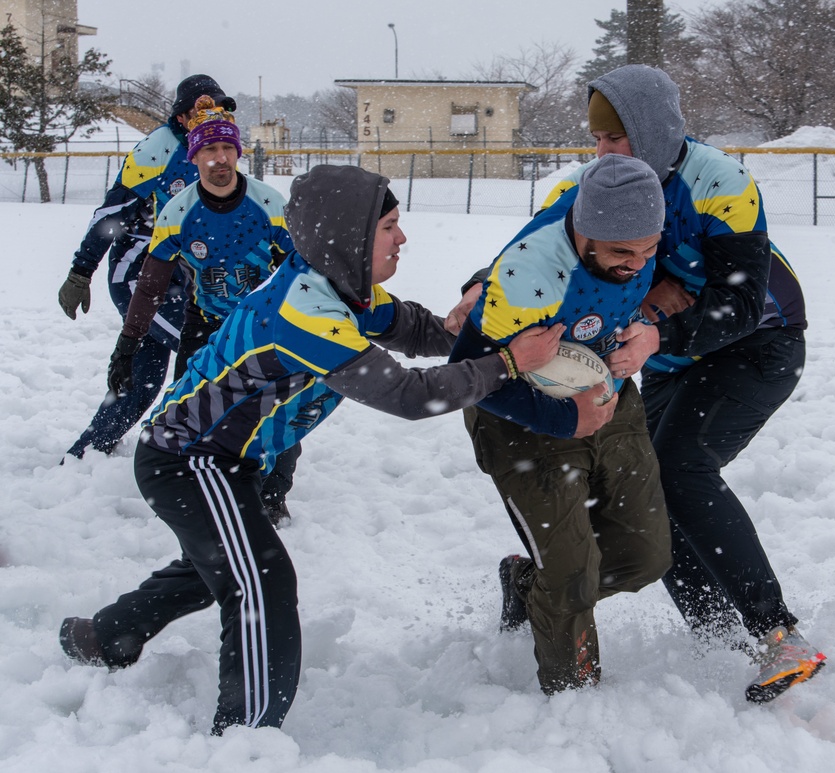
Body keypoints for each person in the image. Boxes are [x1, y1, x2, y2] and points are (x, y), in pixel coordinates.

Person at [58, 163, 563, 735]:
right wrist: (508, 362)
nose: (402, 238)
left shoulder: (339, 286)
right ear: (349, 238)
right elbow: (407, 395)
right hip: (187, 460)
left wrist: (465, 332)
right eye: (390, 226)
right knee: (259, 583)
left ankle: (101, 638)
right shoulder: (304, 311)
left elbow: (411, 327)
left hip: (225, 462)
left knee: (214, 568)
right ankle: (244, 738)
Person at [446, 64, 825, 704]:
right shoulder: (595, 187)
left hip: (756, 345)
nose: (601, 154)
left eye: (614, 140)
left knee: (681, 470)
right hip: (662, 357)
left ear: (651, 134)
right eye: (596, 141)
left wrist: (661, 333)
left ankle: (776, 631)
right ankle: (711, 631)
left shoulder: (719, 181)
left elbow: (740, 300)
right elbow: (534, 247)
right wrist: (478, 285)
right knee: (655, 492)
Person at [449, 153, 673, 695]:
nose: (638, 265)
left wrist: (650, 327)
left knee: (646, 556)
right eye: (622, 253)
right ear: (584, 232)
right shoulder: (531, 275)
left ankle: (528, 585)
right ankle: (573, 701)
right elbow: (469, 373)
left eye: (649, 249)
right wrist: (562, 418)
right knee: (572, 573)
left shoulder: (626, 221)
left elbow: (676, 287)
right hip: (520, 416)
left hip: (607, 396)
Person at [106, 94, 298, 525]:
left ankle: (271, 498)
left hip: (262, 324)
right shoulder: (177, 212)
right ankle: (195, 486)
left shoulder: (269, 205)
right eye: (209, 149)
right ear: (194, 156)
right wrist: (127, 344)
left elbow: (302, 273)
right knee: (185, 410)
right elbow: (152, 284)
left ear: (238, 153)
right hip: (206, 324)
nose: (220, 158)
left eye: (227, 148)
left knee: (278, 413)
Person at [58, 74, 236, 460]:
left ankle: (85, 454)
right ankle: (182, 451)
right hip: (141, 274)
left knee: (142, 382)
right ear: (182, 115)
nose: (208, 117)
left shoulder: (217, 149)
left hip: (184, 278)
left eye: (217, 109)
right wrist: (81, 270)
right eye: (199, 111)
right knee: (208, 355)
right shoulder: (158, 149)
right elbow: (112, 214)